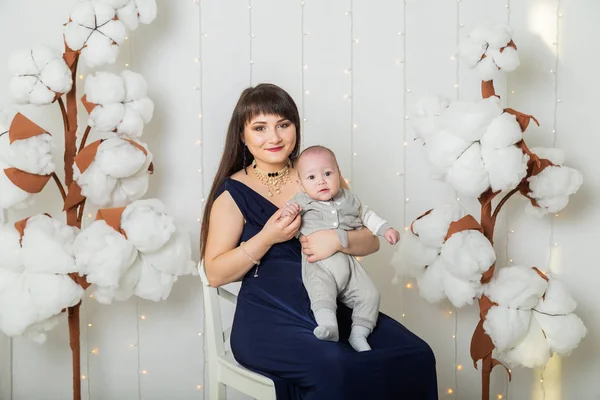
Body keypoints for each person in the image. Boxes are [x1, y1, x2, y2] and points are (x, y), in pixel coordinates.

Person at [200, 83, 438, 399]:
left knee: (416, 353)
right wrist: (269, 237)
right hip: (268, 321)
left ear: (295, 128)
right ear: (242, 136)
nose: (274, 137)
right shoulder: (232, 194)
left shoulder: (318, 173)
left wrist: (338, 240)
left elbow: (371, 241)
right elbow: (215, 273)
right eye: (260, 128)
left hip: (332, 308)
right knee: (337, 366)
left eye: (283, 125)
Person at [281, 145, 400, 352]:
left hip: (350, 266)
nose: (321, 181)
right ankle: (328, 325)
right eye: (311, 178)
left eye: (328, 173)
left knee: (370, 294)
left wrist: (385, 229)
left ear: (338, 173)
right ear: (301, 184)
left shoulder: (349, 199)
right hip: (319, 265)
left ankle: (359, 334)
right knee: (320, 292)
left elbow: (367, 216)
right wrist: (288, 212)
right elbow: (285, 224)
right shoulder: (301, 202)